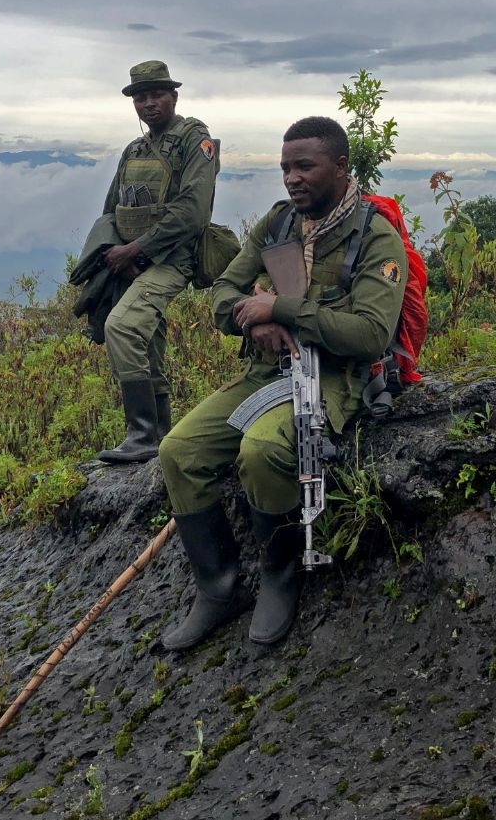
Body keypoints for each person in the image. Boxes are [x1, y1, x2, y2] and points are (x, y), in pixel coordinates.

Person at [157, 115, 407, 649]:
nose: (292, 178)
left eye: (305, 166)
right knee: (179, 449)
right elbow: (223, 293)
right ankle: (219, 587)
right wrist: (258, 317)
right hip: (268, 372)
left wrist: (285, 308)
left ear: (340, 168)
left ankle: (280, 575)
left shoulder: (375, 237)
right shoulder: (277, 225)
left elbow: (368, 333)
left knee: (263, 448)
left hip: (336, 376)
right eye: (285, 167)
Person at [90, 60, 220, 464]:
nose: (148, 104)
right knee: (147, 338)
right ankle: (159, 434)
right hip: (134, 263)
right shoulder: (134, 150)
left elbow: (192, 212)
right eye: (140, 97)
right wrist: (120, 253)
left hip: (173, 258)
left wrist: (137, 250)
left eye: (156, 95)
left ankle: (142, 433)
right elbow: (113, 207)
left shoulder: (194, 141)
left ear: (173, 96)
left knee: (123, 326)